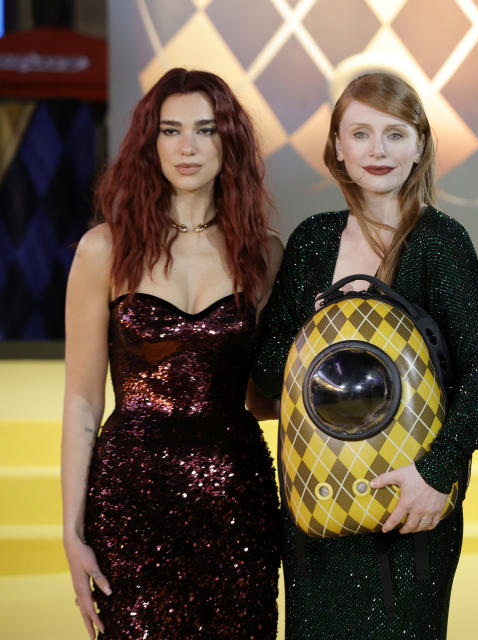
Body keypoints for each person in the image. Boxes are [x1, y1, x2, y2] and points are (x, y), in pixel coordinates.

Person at [253, 71, 478, 639]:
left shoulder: (441, 242)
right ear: (337, 147)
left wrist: (436, 476)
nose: (377, 150)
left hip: (410, 509)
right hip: (315, 512)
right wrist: (315, 332)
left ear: (420, 144)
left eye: (395, 134)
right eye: (361, 133)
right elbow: (270, 372)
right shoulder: (313, 241)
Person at [61, 68, 283, 639]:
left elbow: (267, 392)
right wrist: (71, 529)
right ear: (149, 143)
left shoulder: (264, 253)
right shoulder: (103, 250)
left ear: (227, 142)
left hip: (237, 498)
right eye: (171, 130)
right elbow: (83, 402)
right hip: (129, 499)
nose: (187, 147)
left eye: (205, 130)